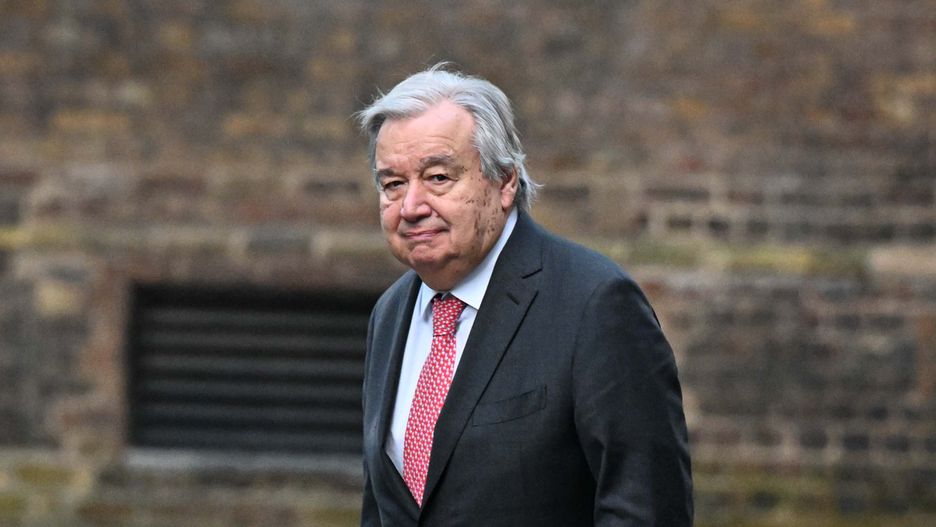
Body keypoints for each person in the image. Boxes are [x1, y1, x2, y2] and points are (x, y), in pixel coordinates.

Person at [355, 63, 692, 526]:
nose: (411, 207)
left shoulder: (594, 304)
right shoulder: (390, 314)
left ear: (505, 181)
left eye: (438, 178)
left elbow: (647, 509)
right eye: (393, 184)